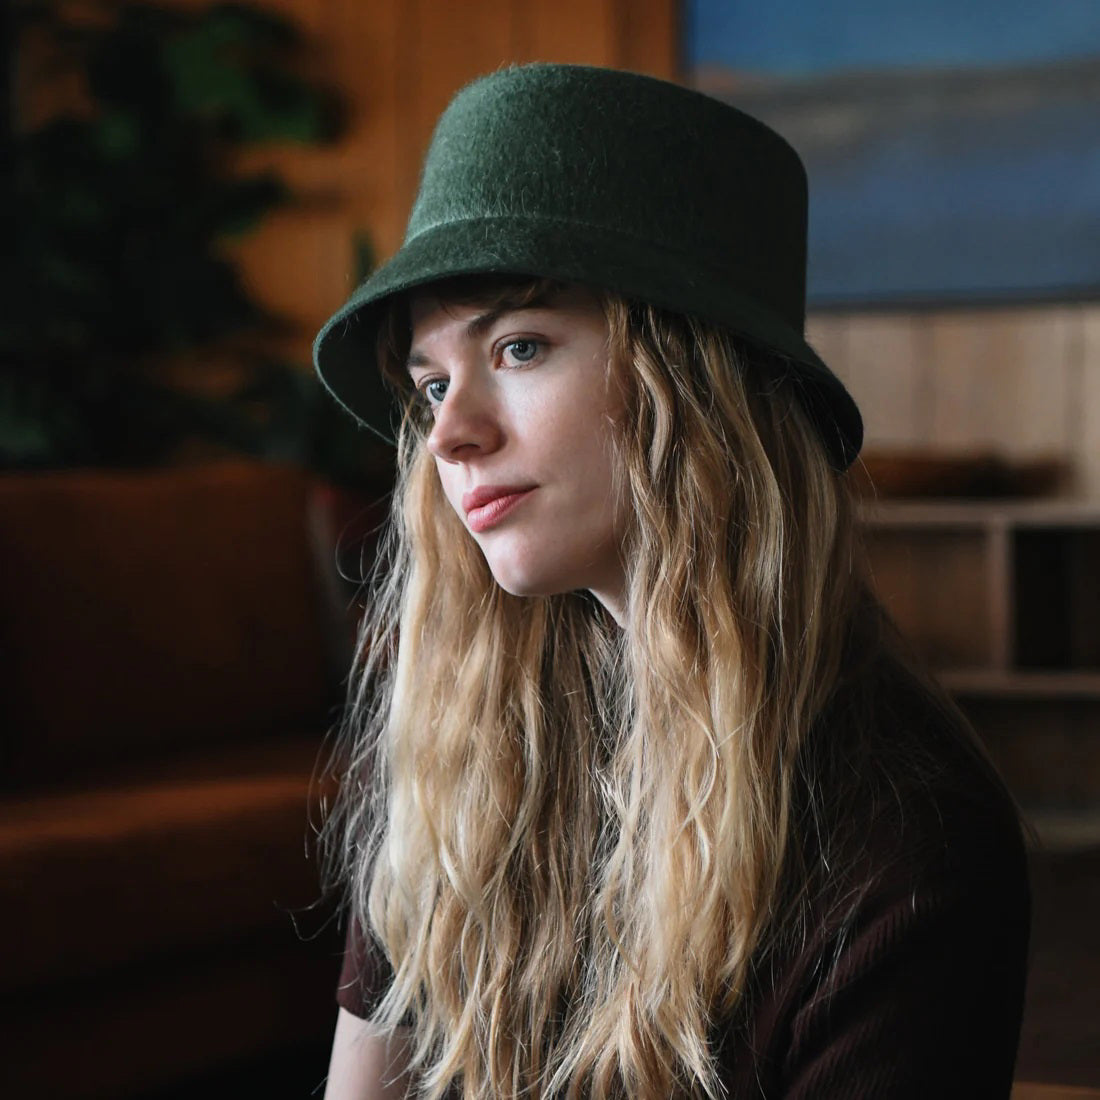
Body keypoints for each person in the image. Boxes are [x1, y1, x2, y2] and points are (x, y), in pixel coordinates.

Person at [312, 63, 1030, 1100]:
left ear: (692, 388)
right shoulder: (458, 759)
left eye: (517, 345)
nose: (449, 434)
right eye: (429, 383)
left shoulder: (901, 844)